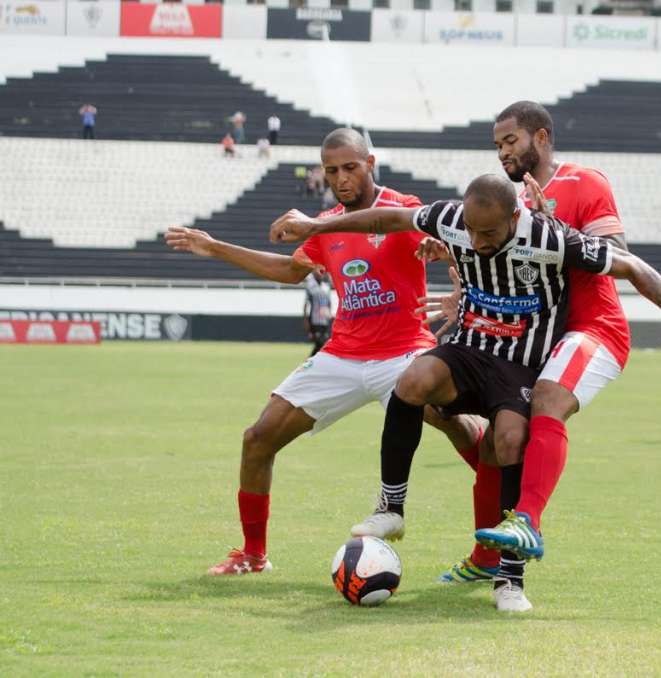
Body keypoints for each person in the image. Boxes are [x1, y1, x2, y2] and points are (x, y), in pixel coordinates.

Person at [269, 174, 661, 611]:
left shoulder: (551, 238)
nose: (476, 243)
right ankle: (391, 508)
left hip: (520, 363)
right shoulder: (453, 220)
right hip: (469, 349)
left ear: (515, 218)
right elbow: (387, 218)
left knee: (510, 441)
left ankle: (510, 579)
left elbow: (631, 265)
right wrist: (315, 225)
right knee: (410, 381)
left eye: (489, 234)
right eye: (470, 233)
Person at [163, 128, 479, 577]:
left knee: (463, 430)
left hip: (404, 354)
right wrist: (215, 248)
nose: (341, 178)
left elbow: (456, 247)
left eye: (350, 167)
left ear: (370, 164)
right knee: (258, 439)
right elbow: (292, 270)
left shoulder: (404, 208)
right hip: (343, 356)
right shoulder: (326, 224)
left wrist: (440, 251)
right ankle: (253, 555)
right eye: (332, 171)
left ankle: (499, 531)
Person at [423, 101, 639, 586]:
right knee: (455, 423)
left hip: (592, 327)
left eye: (510, 141)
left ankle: (526, 522)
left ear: (540, 138)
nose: (502, 152)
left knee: (542, 405)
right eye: (497, 145)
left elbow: (620, 257)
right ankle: (485, 557)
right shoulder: (508, 200)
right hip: (534, 338)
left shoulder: (585, 183)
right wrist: (461, 284)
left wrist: (555, 226)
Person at [303, 271, 332, 356]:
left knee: (322, 344)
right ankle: (309, 362)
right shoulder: (310, 286)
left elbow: (329, 303)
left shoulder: (326, 287)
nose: (320, 274)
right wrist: (306, 320)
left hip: (324, 320)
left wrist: (329, 313)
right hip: (315, 320)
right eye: (318, 272)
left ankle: (310, 362)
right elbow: (306, 304)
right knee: (320, 343)